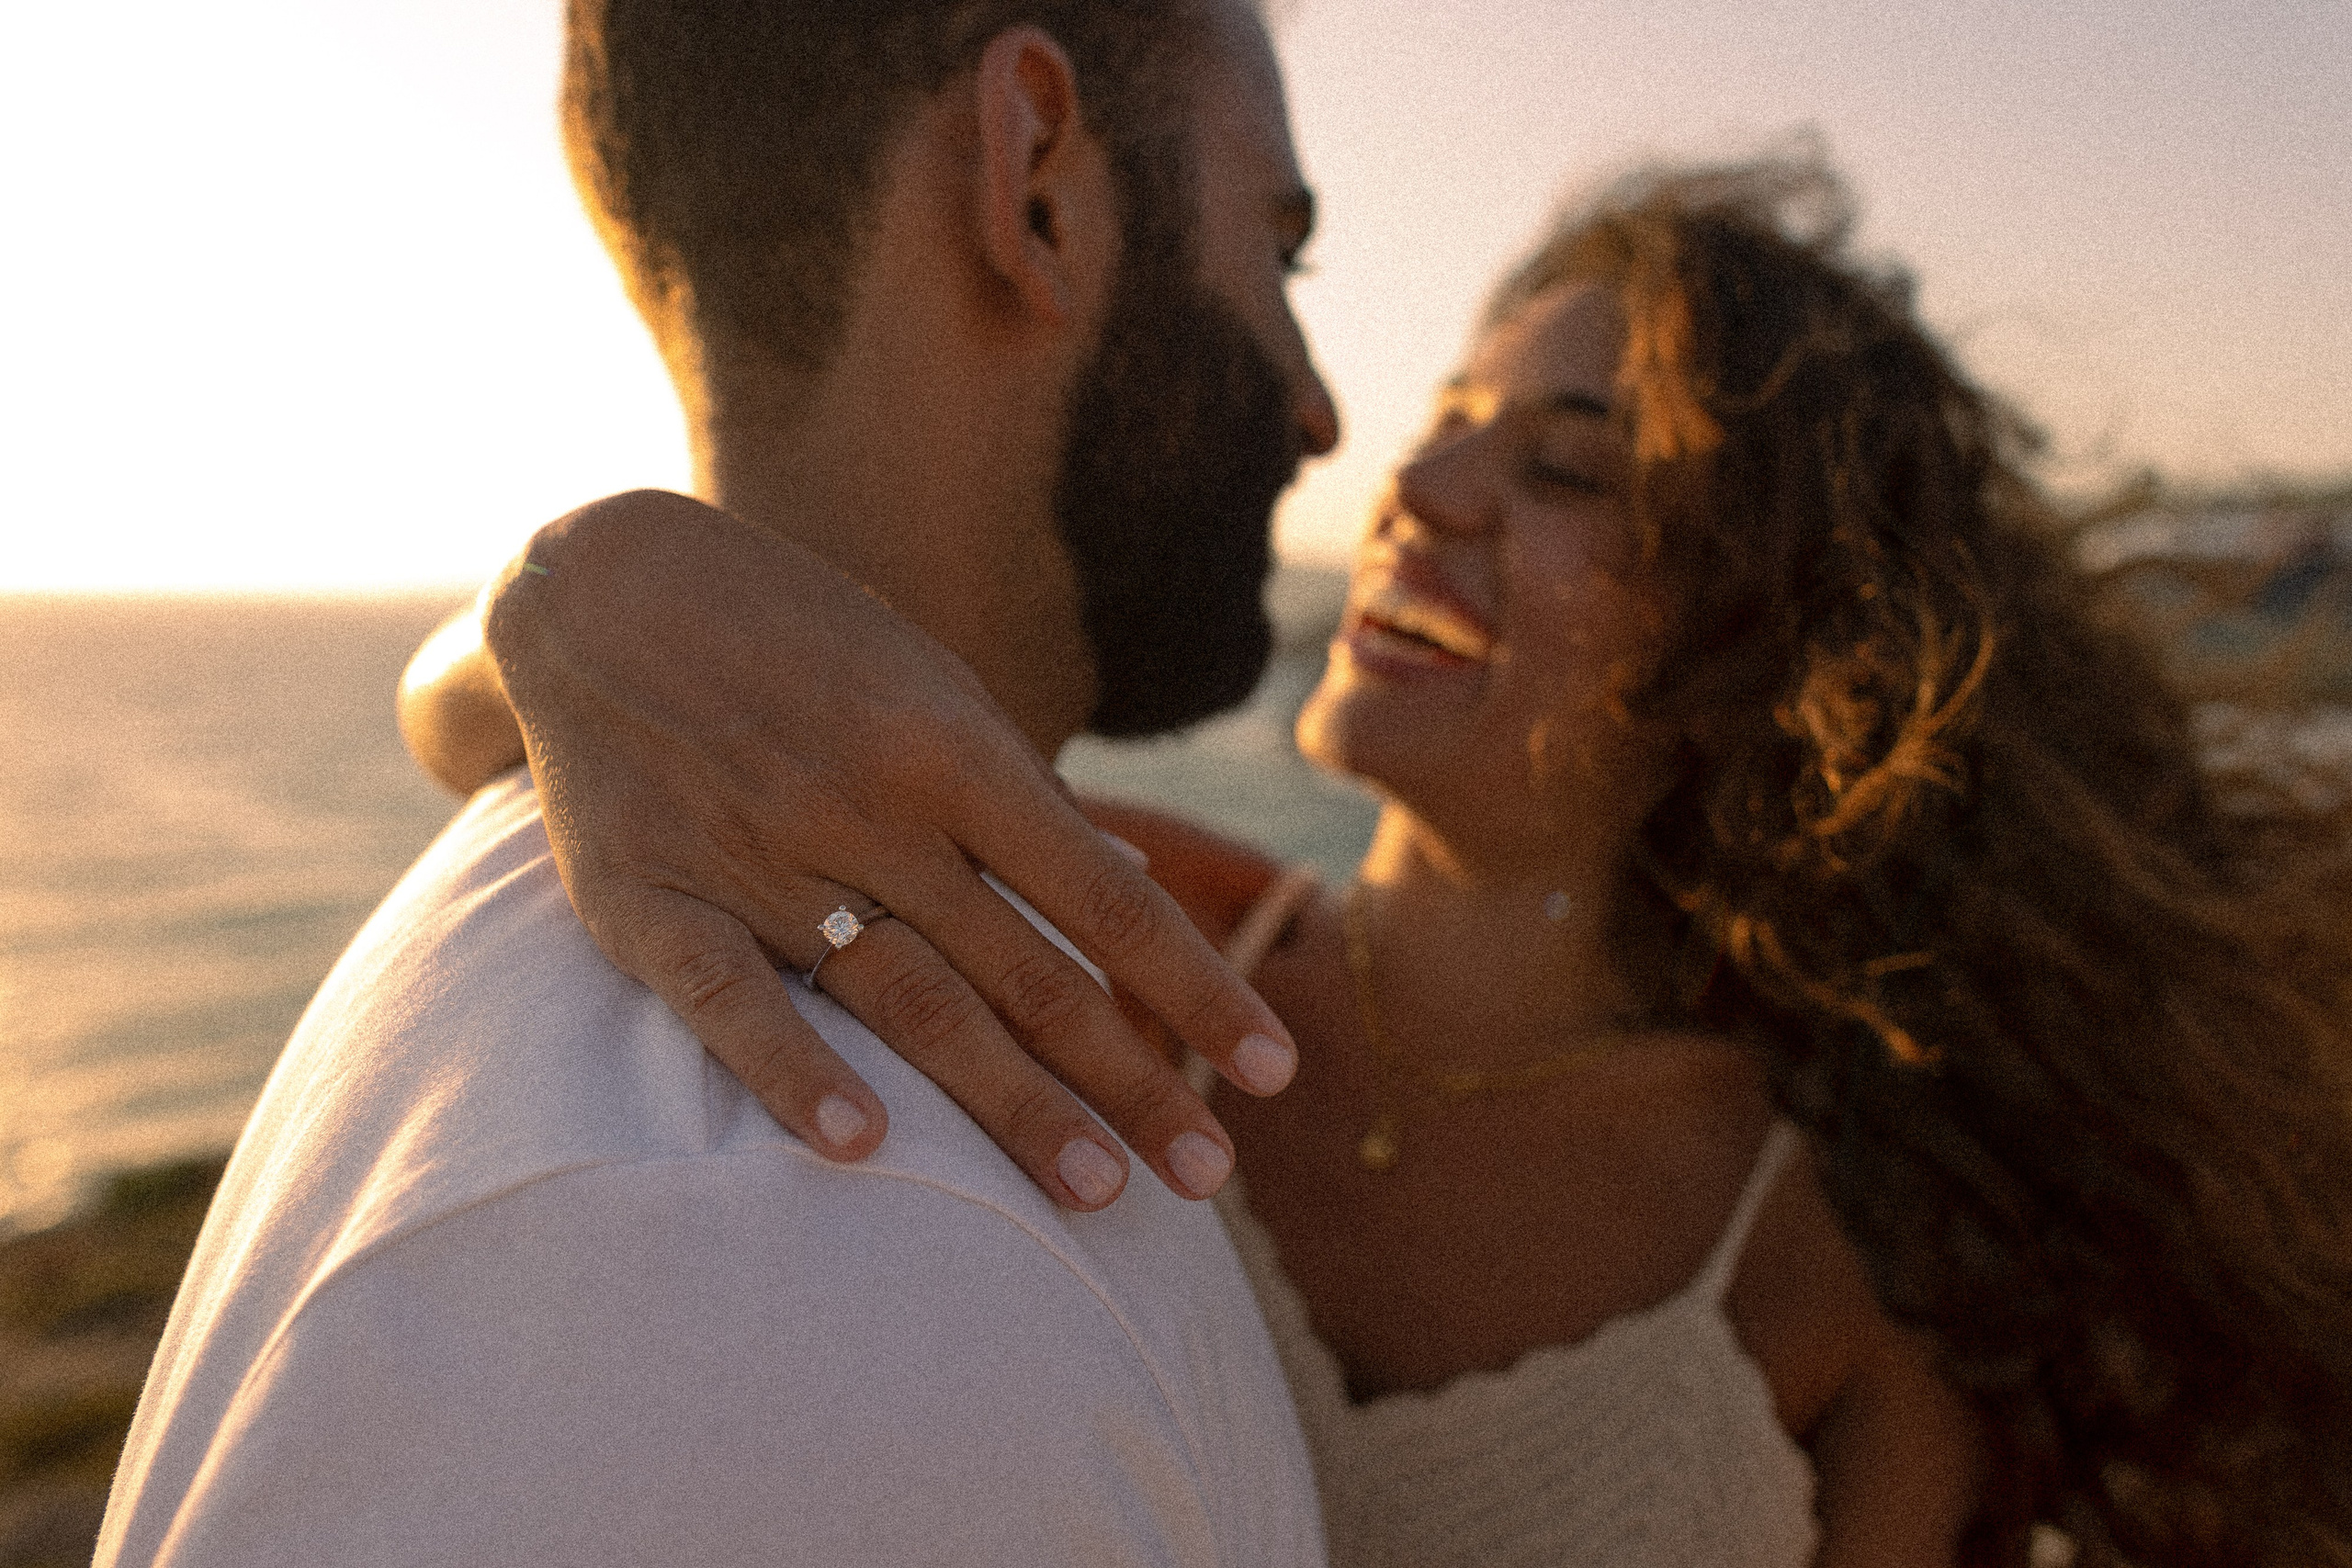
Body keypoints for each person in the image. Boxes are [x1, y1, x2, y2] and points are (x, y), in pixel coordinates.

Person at [405, 153, 2352, 1566]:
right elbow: (514, 728)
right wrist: (570, 585)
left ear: (1767, 627)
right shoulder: (1112, 916)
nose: (1415, 495)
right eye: (1444, 427)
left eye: (1567, 468)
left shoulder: (1834, 1263)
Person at [96, 3, 1346, 1563]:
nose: (1320, 407)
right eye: (1279, 254)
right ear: (1036, 182)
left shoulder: (612, 890)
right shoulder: (815, 1265)